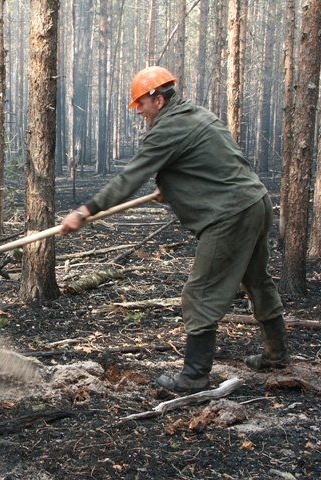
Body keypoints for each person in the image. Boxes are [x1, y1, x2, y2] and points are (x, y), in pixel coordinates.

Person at [60, 66, 289, 394]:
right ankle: (277, 354)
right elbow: (214, 164)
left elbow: (131, 177)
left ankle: (195, 376)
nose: (138, 110)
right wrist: (175, 184)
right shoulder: (197, 116)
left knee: (200, 293)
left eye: (141, 103)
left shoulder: (167, 127)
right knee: (257, 281)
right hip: (255, 202)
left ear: (159, 99)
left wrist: (85, 210)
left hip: (230, 215)